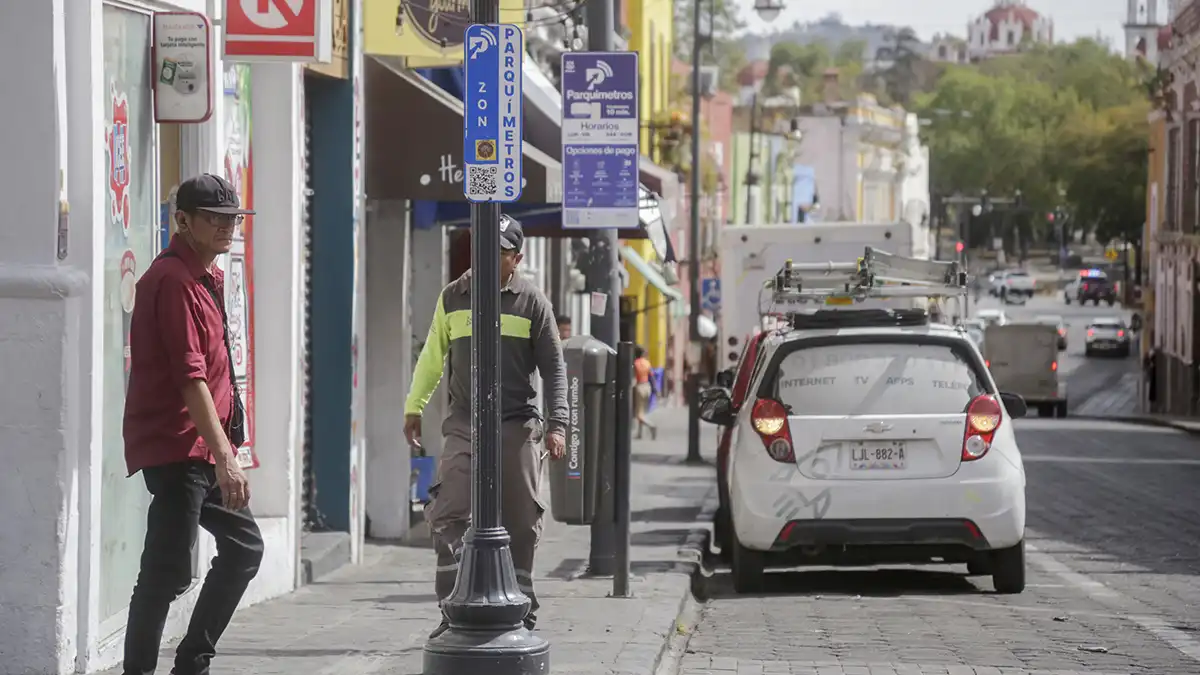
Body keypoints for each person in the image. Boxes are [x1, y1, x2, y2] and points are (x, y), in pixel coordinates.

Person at [121, 173, 262, 675]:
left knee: (245, 548)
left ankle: (192, 661)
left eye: (232, 219)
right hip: (179, 448)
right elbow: (189, 376)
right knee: (165, 573)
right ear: (183, 221)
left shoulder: (209, 278)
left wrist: (226, 448)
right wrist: (227, 458)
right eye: (215, 219)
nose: (227, 227)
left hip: (203, 450)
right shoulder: (172, 281)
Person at [404, 214, 568, 638]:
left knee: (521, 519)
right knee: (447, 509)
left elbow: (554, 369)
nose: (487, 259)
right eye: (482, 250)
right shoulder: (453, 297)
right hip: (464, 423)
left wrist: (558, 424)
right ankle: (453, 605)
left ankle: (522, 609)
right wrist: (414, 406)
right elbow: (432, 357)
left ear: (516, 258)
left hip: (516, 424)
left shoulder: (533, 303)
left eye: (498, 253)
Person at [632, 346, 658, 440]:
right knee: (642, 411)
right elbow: (652, 377)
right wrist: (655, 389)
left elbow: (634, 378)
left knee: (639, 414)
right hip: (647, 387)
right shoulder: (647, 363)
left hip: (639, 387)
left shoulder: (635, 364)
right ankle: (639, 434)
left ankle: (651, 426)